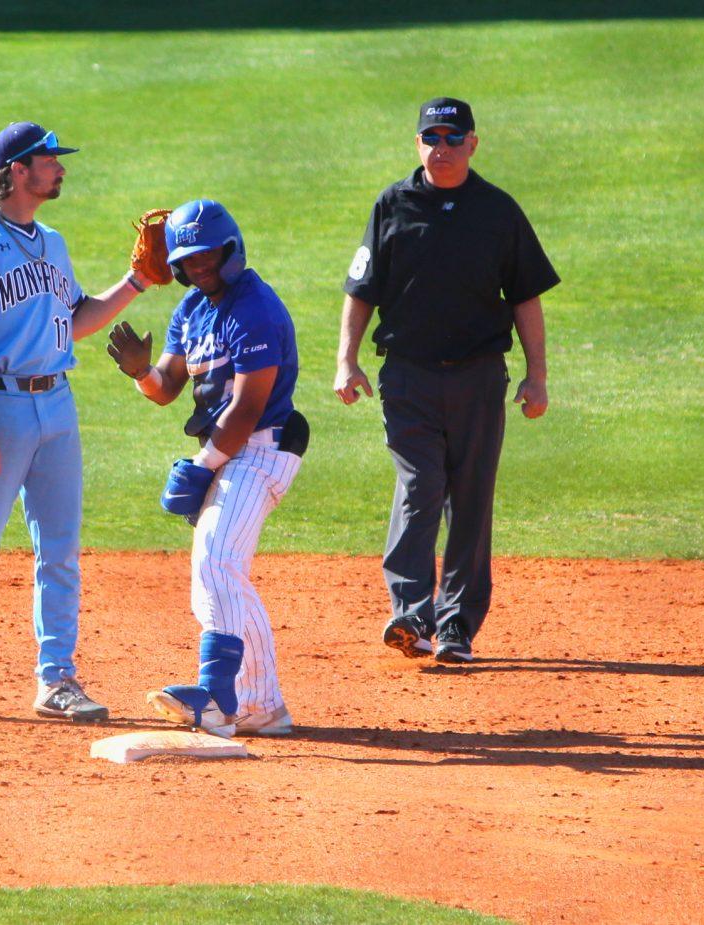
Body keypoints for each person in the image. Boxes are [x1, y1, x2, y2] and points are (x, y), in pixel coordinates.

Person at [0, 120, 158, 721]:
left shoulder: (51, 241)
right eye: (49, 160)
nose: (60, 168)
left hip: (57, 406)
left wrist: (136, 283)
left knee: (60, 549)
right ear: (17, 171)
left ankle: (57, 679)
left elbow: (74, 320)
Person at [334, 97, 559, 664]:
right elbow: (361, 291)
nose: (442, 148)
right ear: (417, 144)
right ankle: (412, 613)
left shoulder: (498, 211)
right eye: (431, 137)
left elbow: (525, 296)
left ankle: (456, 626)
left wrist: (537, 376)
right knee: (421, 488)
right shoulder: (393, 204)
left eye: (452, 138)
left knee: (471, 498)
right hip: (407, 378)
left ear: (472, 144)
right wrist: (346, 359)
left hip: (480, 379)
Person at [106, 200, 308, 738]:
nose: (199, 267)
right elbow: (167, 388)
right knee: (220, 579)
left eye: (208, 257)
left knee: (217, 564)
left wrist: (201, 467)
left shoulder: (255, 309)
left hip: (262, 448)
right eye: (189, 259)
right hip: (228, 451)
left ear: (231, 250)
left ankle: (218, 698)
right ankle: (262, 706)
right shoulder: (191, 310)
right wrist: (141, 372)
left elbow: (246, 407)